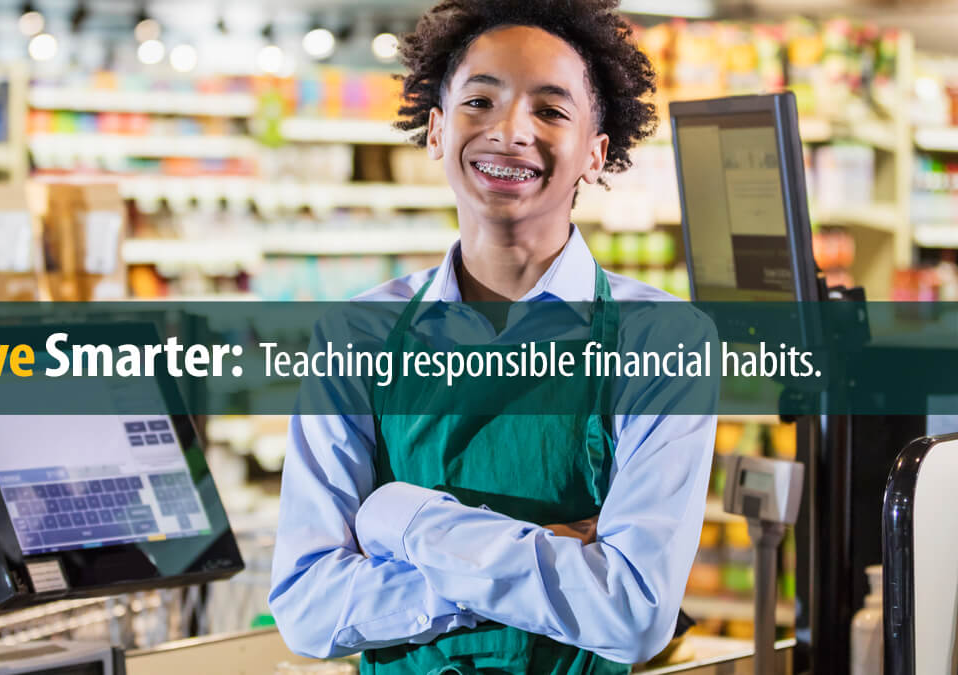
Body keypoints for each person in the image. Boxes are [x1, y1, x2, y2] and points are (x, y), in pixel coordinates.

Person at [269, 0, 718, 672]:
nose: (509, 131)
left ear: (596, 154)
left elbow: (632, 615)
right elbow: (307, 606)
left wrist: (403, 518)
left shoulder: (663, 338)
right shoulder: (356, 334)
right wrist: (547, 554)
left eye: (551, 110)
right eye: (480, 100)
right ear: (435, 129)